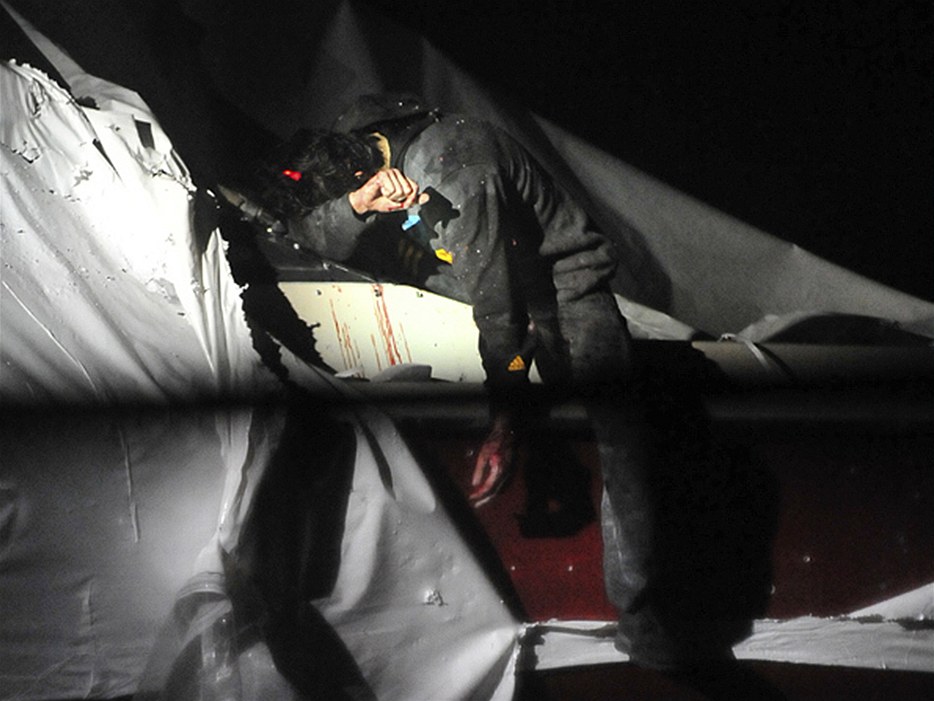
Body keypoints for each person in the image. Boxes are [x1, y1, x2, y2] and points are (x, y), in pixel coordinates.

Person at [252, 94, 738, 675]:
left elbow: (501, 313)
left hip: (559, 284)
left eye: (360, 194)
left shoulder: (459, 172)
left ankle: (646, 618)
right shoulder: (356, 133)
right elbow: (300, 236)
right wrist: (358, 204)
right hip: (459, 264)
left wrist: (504, 424)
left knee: (622, 432)